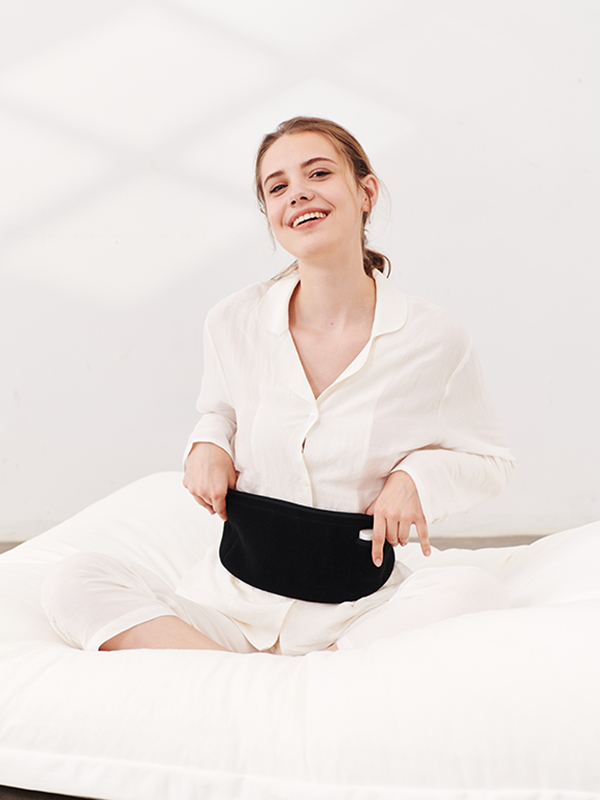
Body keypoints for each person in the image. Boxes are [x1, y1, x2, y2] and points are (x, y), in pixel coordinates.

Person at [42, 117, 514, 656]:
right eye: (278, 186)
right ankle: (267, 677)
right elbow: (222, 411)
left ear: (366, 192)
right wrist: (208, 443)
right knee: (72, 582)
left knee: (474, 591)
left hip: (357, 614)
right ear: (270, 213)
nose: (299, 193)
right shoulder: (233, 320)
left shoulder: (432, 338)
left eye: (319, 173)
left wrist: (417, 478)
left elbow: (491, 460)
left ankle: (247, 678)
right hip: (228, 607)